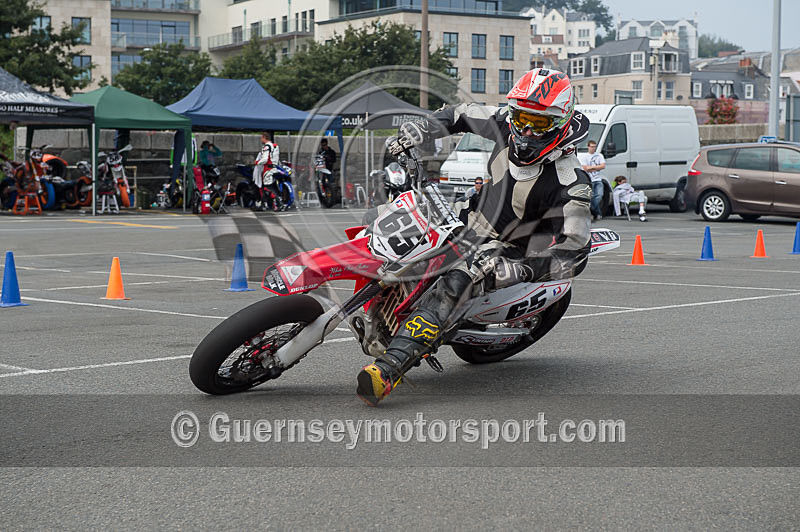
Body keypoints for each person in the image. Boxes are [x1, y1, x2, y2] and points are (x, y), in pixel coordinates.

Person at [356, 68, 592, 405]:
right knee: (382, 218)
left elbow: (575, 249)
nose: (526, 131)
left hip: (511, 247)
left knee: (457, 281)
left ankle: (389, 367)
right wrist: (421, 128)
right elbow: (459, 114)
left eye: (538, 124)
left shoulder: (571, 181)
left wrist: (523, 268)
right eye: (521, 119)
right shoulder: (505, 121)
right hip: (466, 217)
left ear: (561, 122)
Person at [577, 140, 605, 220]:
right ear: (588, 147)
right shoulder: (584, 156)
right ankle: (597, 213)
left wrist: (591, 168)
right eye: (592, 146)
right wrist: (597, 167)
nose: (593, 148)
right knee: (591, 197)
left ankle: (591, 210)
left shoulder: (599, 155)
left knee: (599, 195)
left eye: (594, 146)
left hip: (598, 179)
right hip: (589, 180)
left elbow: (603, 166)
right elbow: (585, 168)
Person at [254, 132, 281, 211]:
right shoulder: (275, 146)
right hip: (274, 168)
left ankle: (279, 204)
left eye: (261, 138)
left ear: (264, 138)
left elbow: (265, 159)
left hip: (268, 169)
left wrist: (257, 162)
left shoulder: (267, 147)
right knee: (270, 188)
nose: (261, 139)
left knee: (268, 188)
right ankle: (264, 204)